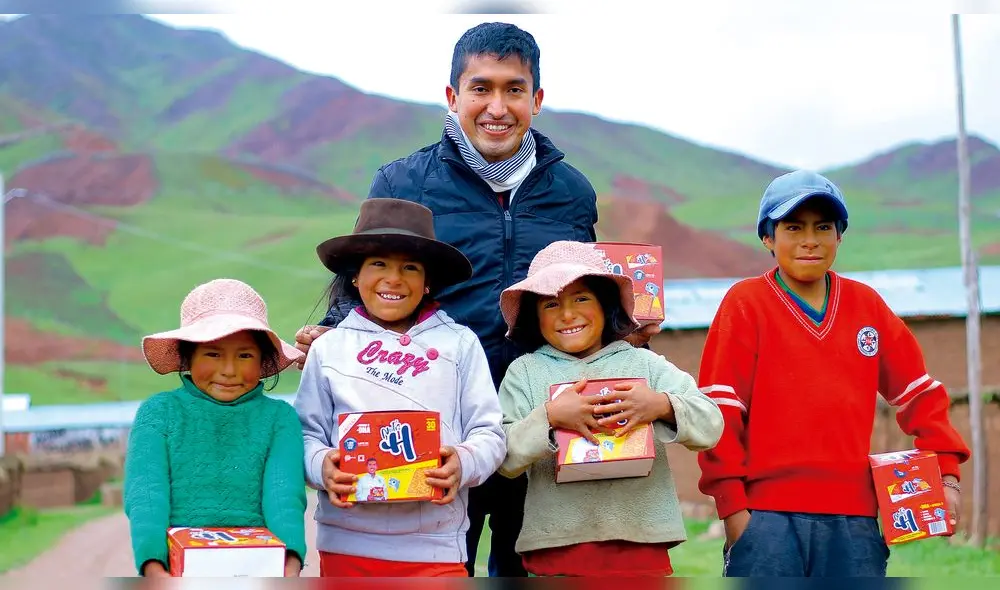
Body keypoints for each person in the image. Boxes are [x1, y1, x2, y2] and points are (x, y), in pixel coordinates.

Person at [294, 22, 659, 577]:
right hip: (439, 434)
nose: (497, 106)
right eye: (480, 88)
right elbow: (368, 276)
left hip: (539, 420)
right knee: (441, 568)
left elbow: (578, 289)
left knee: (526, 569)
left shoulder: (572, 192)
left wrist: (623, 327)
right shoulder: (404, 180)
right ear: (452, 97)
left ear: (536, 99)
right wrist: (333, 328)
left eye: (514, 89)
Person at [696, 170, 972, 577]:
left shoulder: (866, 306)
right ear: (768, 238)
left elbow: (920, 395)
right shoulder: (746, 303)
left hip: (855, 520)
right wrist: (735, 512)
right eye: (793, 227)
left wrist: (946, 476)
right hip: (766, 518)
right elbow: (721, 410)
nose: (810, 239)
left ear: (839, 236)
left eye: (823, 227)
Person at [294, 197, 506, 578]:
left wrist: (462, 462)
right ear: (354, 276)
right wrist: (323, 466)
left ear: (427, 283)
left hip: (437, 549)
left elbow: (489, 432)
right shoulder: (329, 347)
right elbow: (307, 433)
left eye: (410, 267)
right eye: (379, 264)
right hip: (347, 545)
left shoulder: (459, 344)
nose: (394, 278)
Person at [496, 240, 724, 577]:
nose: (568, 314)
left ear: (606, 305)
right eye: (551, 305)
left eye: (582, 298)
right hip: (557, 547)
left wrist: (659, 405)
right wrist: (550, 417)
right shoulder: (526, 373)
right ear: (534, 315)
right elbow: (504, 456)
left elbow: (711, 424)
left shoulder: (645, 365)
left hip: (641, 544)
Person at [123, 279, 307, 577]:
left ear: (263, 360)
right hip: (175, 570)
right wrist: (154, 568)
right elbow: (146, 495)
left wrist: (289, 565)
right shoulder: (159, 413)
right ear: (188, 356)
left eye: (245, 355)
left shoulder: (279, 418)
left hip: (258, 569)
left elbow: (284, 497)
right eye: (213, 354)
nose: (229, 370)